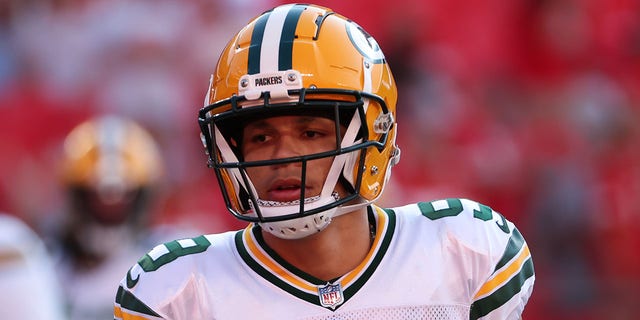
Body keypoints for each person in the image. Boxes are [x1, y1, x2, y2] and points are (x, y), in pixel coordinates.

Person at [114, 4, 534, 319]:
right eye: (260, 137)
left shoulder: (464, 251)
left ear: (373, 137)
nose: (283, 155)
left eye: (311, 132)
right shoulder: (175, 293)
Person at [50, 115, 166, 319]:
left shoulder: (167, 264)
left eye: (122, 198)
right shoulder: (47, 264)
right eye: (95, 196)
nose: (108, 209)